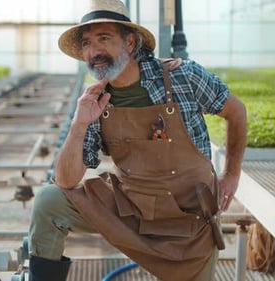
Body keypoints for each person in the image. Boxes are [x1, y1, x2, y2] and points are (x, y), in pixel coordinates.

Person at [27, 0, 247, 280]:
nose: (94, 51)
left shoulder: (183, 76)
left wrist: (231, 174)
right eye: (86, 43)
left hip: (188, 220)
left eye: (104, 38)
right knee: (49, 201)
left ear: (130, 43)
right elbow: (67, 181)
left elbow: (236, 111)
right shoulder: (95, 98)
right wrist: (79, 124)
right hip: (131, 207)